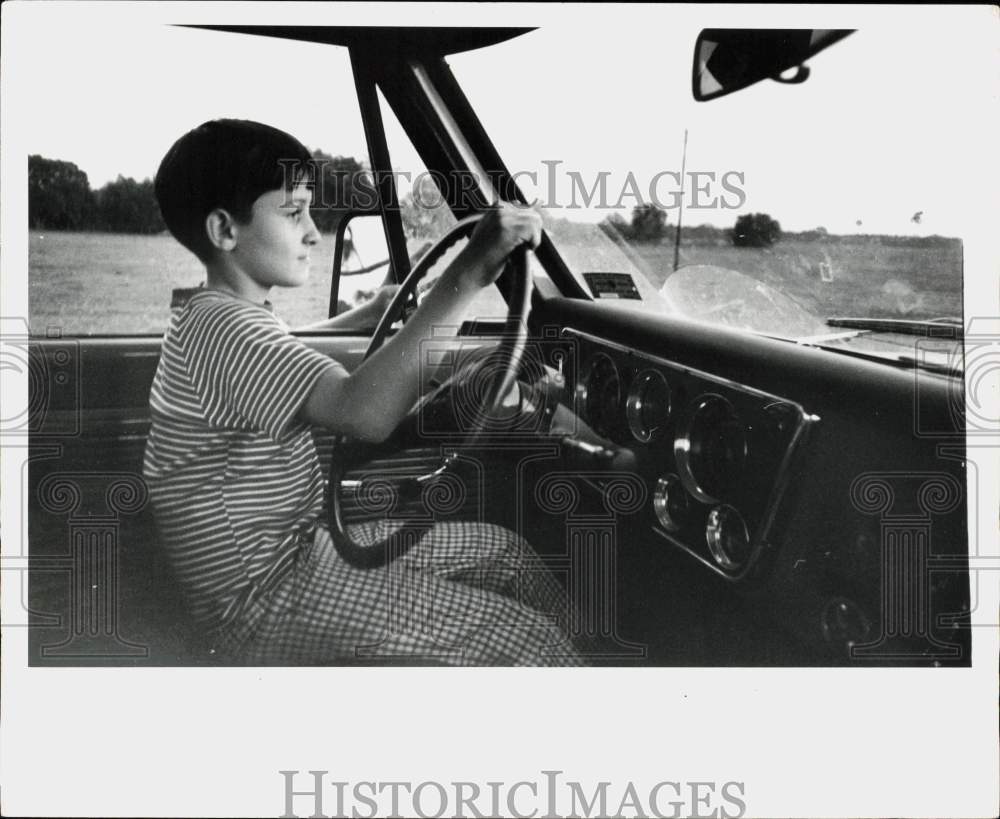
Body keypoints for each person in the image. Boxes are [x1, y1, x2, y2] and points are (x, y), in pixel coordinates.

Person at [142, 119, 582, 666]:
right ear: (225, 231)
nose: (311, 232)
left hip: (301, 553)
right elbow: (366, 413)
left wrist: (371, 311)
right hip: (265, 602)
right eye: (292, 212)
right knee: (521, 638)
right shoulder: (229, 331)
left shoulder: (215, 316)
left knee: (508, 557)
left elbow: (289, 351)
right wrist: (467, 272)